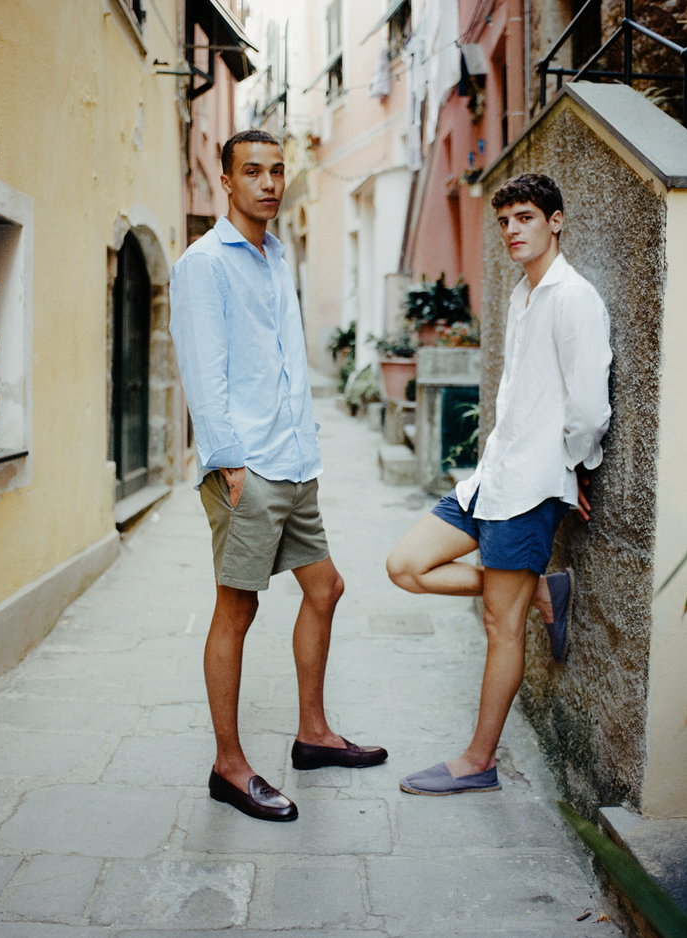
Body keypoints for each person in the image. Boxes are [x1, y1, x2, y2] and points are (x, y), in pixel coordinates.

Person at [169, 129, 387, 822]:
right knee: (238, 608)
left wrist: (304, 443)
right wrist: (230, 463)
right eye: (252, 172)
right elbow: (203, 369)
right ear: (225, 183)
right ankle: (228, 768)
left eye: (276, 171)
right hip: (249, 467)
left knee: (325, 588)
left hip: (296, 461)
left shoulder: (274, 253)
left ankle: (313, 735)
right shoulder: (204, 264)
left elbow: (282, 357)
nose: (268, 182)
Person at [387, 173, 611, 797]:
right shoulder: (523, 294)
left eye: (525, 219)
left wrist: (574, 465)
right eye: (505, 220)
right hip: (492, 478)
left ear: (556, 221)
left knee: (499, 627)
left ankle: (478, 761)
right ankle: (534, 587)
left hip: (532, 486)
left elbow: (590, 409)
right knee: (405, 565)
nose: (512, 230)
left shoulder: (573, 299)